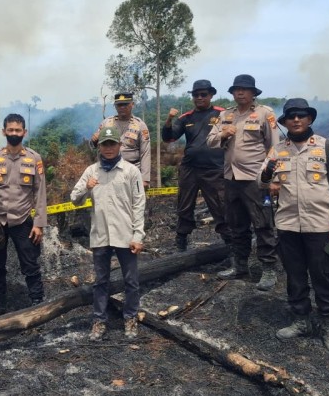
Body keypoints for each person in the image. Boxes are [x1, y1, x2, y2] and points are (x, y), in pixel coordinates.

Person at [260, 98, 329, 354]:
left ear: (310, 119)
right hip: (288, 224)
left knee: (323, 276)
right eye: (291, 116)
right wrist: (268, 173)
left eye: (301, 115)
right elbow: (261, 180)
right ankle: (301, 320)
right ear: (285, 122)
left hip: (320, 225)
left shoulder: (326, 147)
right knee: (295, 275)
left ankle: (328, 325)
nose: (297, 120)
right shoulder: (278, 150)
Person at [71, 126, 145, 341]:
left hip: (125, 235)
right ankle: (99, 321)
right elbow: (74, 198)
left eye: (113, 143)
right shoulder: (91, 172)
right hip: (101, 235)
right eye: (105, 144)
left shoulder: (131, 171)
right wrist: (87, 186)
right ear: (99, 147)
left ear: (120, 146)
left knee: (131, 280)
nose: (109, 148)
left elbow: (139, 204)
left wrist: (138, 235)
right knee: (100, 281)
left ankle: (130, 318)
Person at [207, 74, 280, 291]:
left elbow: (275, 148)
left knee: (263, 224)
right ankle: (240, 265)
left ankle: (268, 269)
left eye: (244, 89)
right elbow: (210, 141)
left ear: (253, 93)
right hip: (231, 178)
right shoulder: (226, 115)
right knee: (236, 225)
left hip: (256, 180)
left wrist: (273, 179)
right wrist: (223, 134)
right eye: (236, 89)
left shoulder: (265, 114)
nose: (240, 92)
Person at [0, 113, 47, 321]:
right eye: (10, 130)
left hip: (22, 219)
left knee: (30, 262)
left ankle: (38, 301)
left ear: (24, 132)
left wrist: (39, 224)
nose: (14, 134)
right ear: (4, 131)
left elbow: (40, 193)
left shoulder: (34, 159)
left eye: (18, 130)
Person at [161, 79, 229, 251]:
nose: (199, 97)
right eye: (196, 95)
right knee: (184, 204)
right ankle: (181, 241)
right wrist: (169, 119)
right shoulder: (186, 118)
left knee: (220, 205)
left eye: (203, 94)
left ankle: (231, 246)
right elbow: (169, 138)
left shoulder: (223, 114)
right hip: (190, 168)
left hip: (214, 168)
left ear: (211, 95)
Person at [90, 92, 151, 188]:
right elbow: (96, 145)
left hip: (132, 170)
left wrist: (145, 179)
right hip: (109, 171)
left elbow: (145, 152)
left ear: (132, 105)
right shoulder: (107, 123)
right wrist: (94, 140)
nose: (122, 107)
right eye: (119, 105)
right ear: (115, 106)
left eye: (125, 104)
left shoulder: (140, 125)